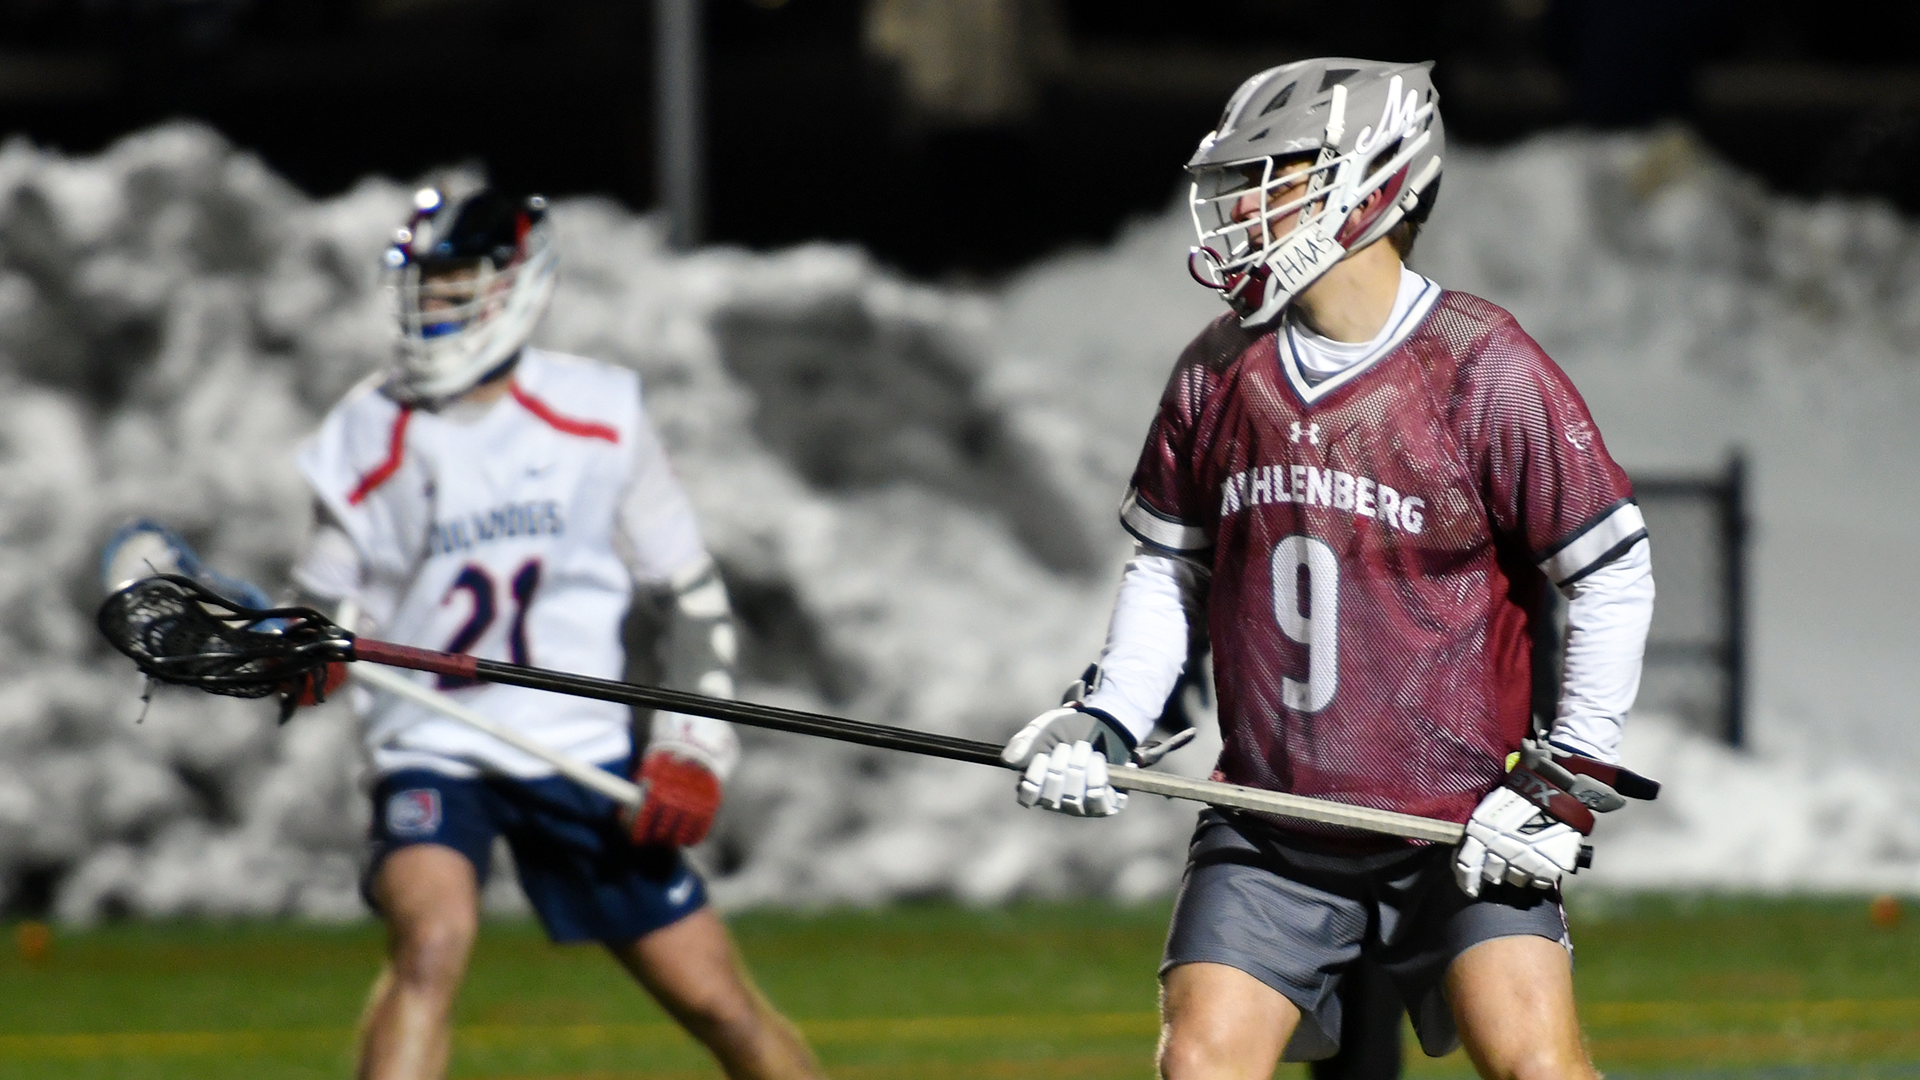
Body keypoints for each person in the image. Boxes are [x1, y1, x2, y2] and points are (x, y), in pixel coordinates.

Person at [1002, 59, 1657, 1080]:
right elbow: (1168, 570)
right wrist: (1108, 717)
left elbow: (1613, 571)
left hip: (1457, 827)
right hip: (1273, 827)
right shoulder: (1220, 370)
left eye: (1281, 176)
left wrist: (1563, 778)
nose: (1246, 205)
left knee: (1539, 1070)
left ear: (1375, 182)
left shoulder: (1483, 368)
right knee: (1201, 1067)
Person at [287, 188, 824, 1080]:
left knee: (715, 1000)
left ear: (520, 286)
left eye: (460, 285)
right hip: (431, 739)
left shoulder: (598, 413)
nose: (438, 305)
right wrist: (303, 655)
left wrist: (692, 748)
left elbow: (688, 594)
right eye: (429, 285)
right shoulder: (365, 428)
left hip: (575, 745)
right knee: (432, 940)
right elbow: (322, 611)